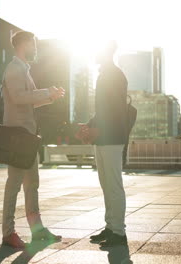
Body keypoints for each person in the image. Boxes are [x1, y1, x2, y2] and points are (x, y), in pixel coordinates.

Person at [1, 31, 64, 248]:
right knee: (14, 185)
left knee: (32, 184)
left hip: (27, 135)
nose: (35, 47)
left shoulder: (24, 70)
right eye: (33, 43)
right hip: (18, 136)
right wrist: (46, 91)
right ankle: (8, 233)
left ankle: (37, 231)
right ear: (23, 44)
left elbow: (28, 101)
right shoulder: (14, 68)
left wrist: (49, 96)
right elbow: (18, 98)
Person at [78, 41, 129, 247]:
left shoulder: (115, 75)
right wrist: (89, 125)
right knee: (106, 185)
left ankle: (119, 232)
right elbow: (102, 110)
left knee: (114, 185)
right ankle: (111, 227)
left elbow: (117, 110)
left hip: (113, 138)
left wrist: (98, 129)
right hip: (102, 138)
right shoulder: (104, 74)